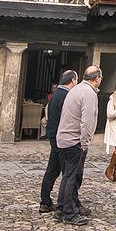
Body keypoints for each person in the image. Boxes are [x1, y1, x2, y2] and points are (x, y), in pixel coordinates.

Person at [53, 65, 102, 225]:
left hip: (64, 138)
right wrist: (85, 143)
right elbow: (86, 122)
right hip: (74, 140)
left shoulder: (76, 89)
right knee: (73, 177)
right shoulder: (88, 93)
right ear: (97, 79)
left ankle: (62, 208)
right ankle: (70, 213)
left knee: (67, 175)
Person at [39, 70, 78, 214]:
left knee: (53, 169)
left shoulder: (56, 94)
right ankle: (68, 204)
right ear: (72, 80)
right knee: (68, 172)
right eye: (76, 80)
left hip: (53, 135)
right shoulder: (66, 95)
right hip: (61, 137)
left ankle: (45, 201)